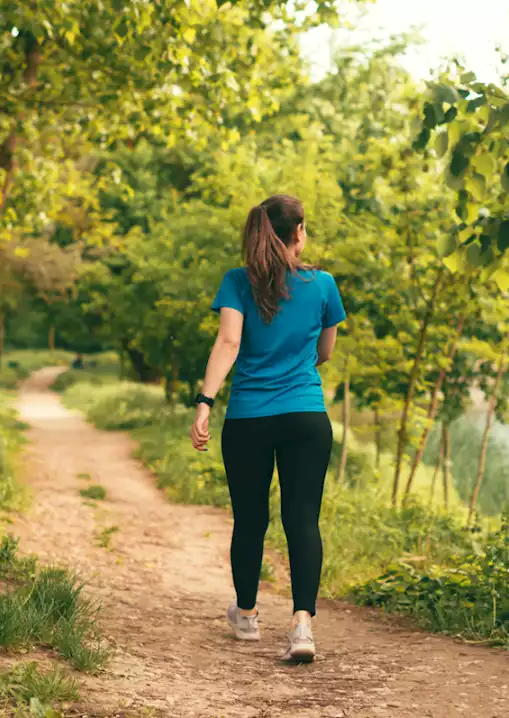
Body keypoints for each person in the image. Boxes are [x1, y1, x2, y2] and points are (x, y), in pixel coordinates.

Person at [189, 194, 345, 663]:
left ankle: (249, 615)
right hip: (305, 417)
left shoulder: (238, 282)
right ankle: (302, 626)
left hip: (248, 418)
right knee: (302, 519)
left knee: (251, 518)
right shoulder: (324, 285)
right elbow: (325, 352)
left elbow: (229, 341)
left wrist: (204, 402)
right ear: (298, 232)